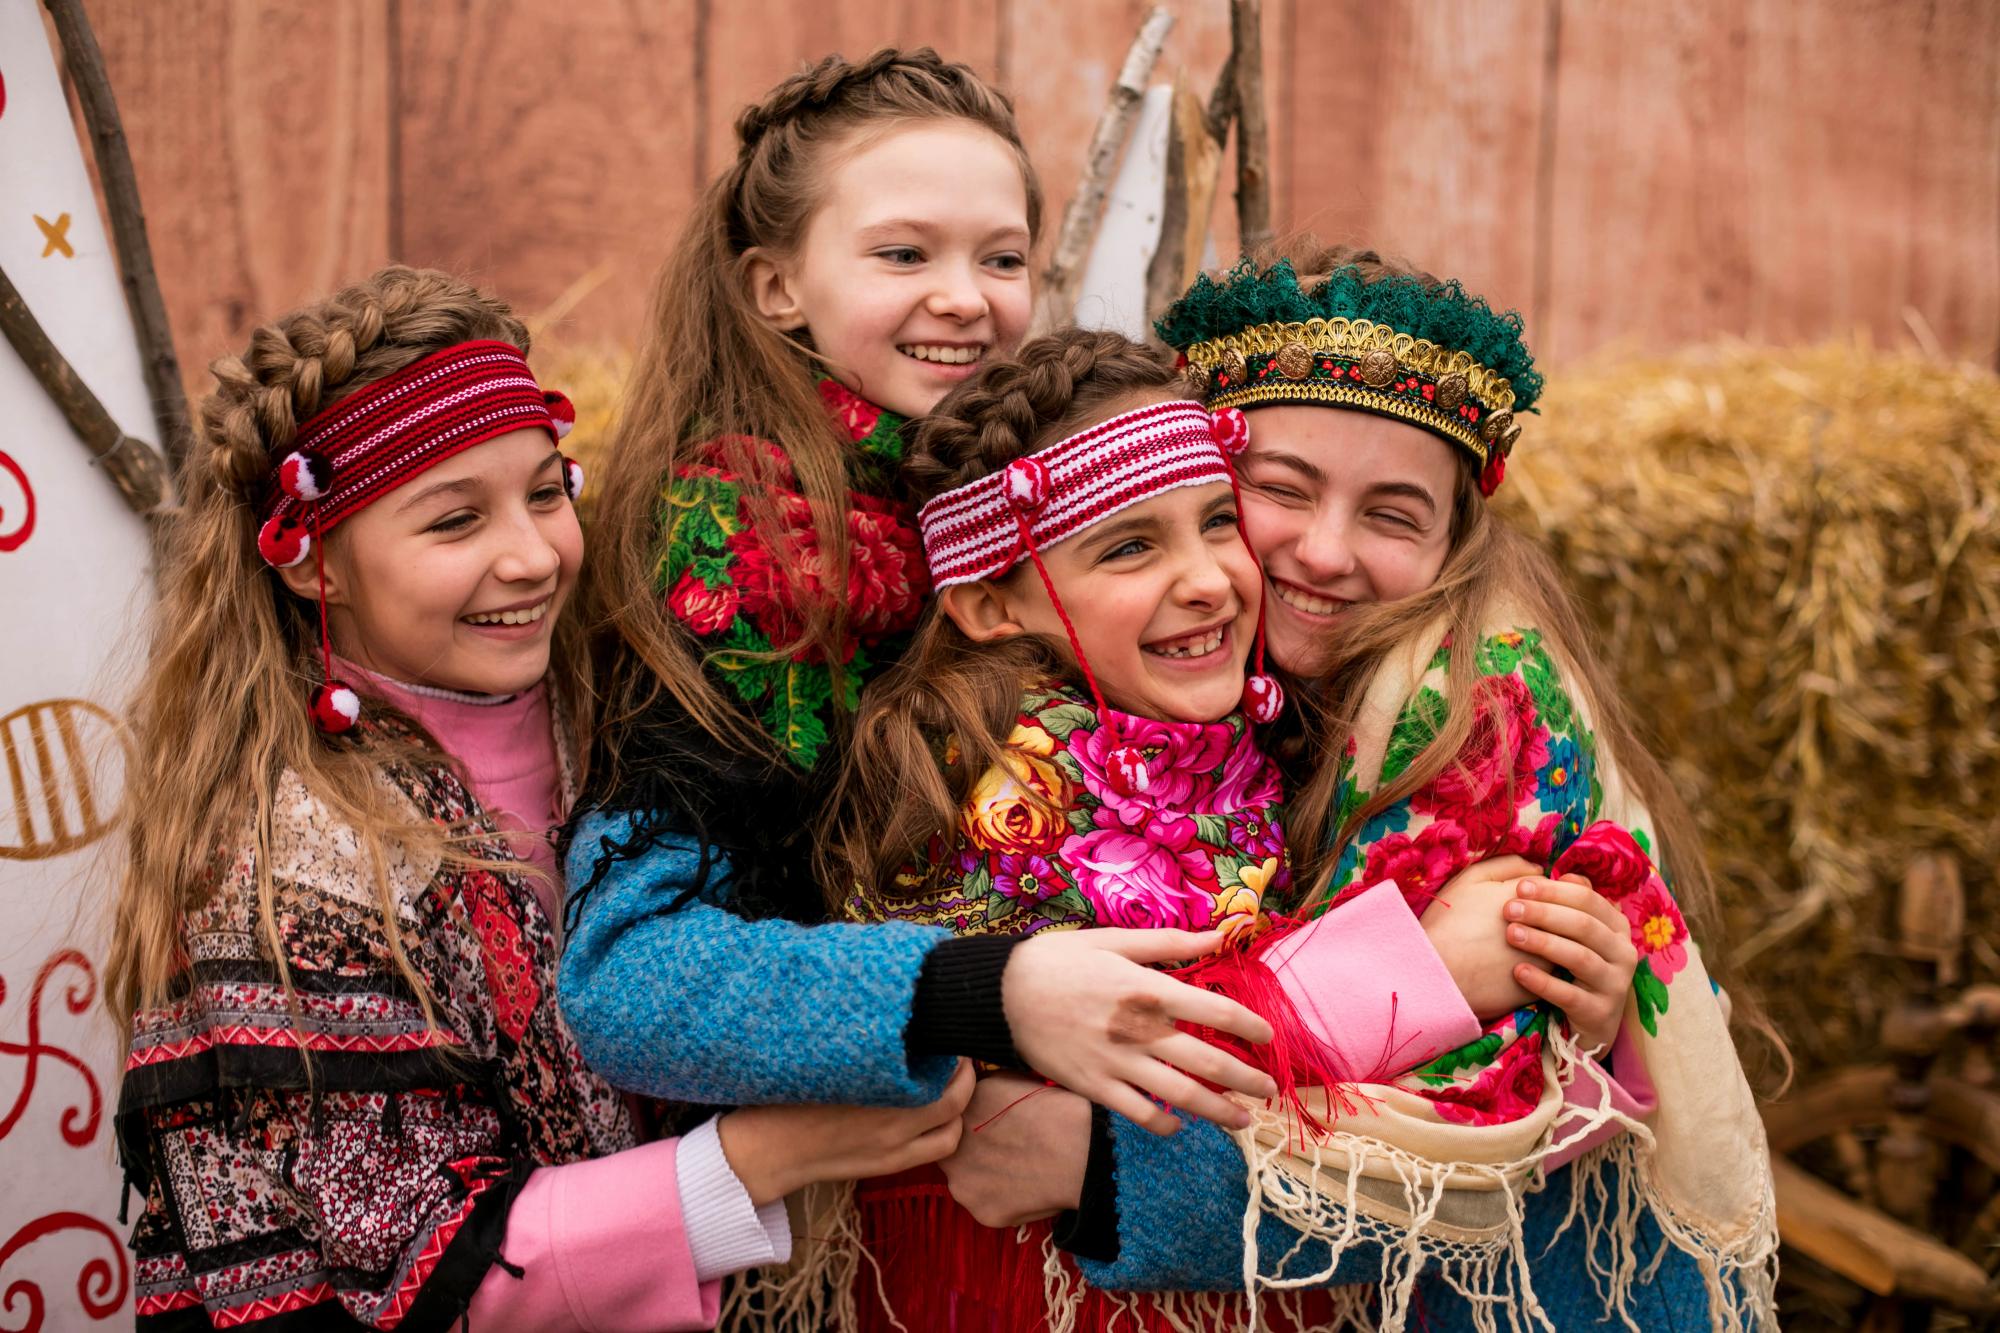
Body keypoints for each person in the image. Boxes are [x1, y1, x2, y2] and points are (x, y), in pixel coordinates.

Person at [107, 266, 981, 1332]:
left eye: (542, 490)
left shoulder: (612, 711)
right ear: (313, 562)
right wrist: (757, 1160)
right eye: (451, 523)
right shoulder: (290, 859)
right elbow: (428, 1265)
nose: (529, 556)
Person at [945, 250, 1780, 1331]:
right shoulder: (1221, 695)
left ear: (1450, 544)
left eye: (1390, 516)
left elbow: (1431, 1151)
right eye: (1276, 491)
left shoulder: (1463, 710)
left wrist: (1094, 1153)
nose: (1323, 552)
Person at [559, 49, 1282, 1150]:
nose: (964, 297)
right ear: (776, 285)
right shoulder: (737, 551)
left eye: (1001, 257)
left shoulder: (1056, 489)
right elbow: (631, 979)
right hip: (846, 1176)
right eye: (903, 253)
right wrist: (982, 992)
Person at [829, 326, 1597, 1331]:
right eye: (1129, 546)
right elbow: (1125, 1046)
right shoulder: (993, 781)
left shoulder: (1241, 738)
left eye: (1214, 522)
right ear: (985, 603)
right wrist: (1424, 970)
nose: (1208, 579)